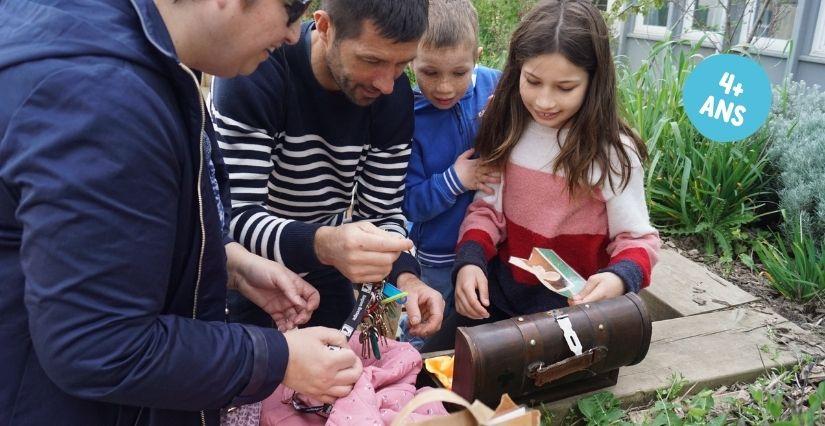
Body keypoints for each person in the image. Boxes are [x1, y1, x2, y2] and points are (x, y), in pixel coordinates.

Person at [0, 0, 363, 424]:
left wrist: (231, 264)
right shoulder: (103, 97)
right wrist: (276, 359)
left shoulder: (141, 53)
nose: (291, 34)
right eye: (291, 8)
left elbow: (104, 232)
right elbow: (100, 345)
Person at [421, 0, 661, 352]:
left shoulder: (613, 153)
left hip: (572, 318)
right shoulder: (507, 128)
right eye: (532, 81)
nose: (545, 101)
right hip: (497, 301)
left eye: (565, 88)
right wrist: (470, 261)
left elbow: (638, 242)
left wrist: (617, 278)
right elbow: (487, 211)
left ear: (594, 81)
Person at [211, 0, 444, 337]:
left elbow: (382, 214)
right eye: (372, 60)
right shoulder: (257, 72)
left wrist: (407, 277)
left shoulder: (394, 98)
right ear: (324, 27)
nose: (386, 84)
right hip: (246, 270)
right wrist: (324, 244)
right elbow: (236, 215)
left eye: (401, 64)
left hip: (326, 264)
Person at [398, 0, 501, 348]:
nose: (444, 87)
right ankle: (406, 379)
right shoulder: (406, 116)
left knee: (475, 323)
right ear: (411, 58)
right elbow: (409, 203)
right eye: (429, 72)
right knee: (425, 327)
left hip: (488, 244)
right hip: (436, 257)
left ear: (477, 56)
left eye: (459, 73)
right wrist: (456, 179)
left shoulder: (496, 88)